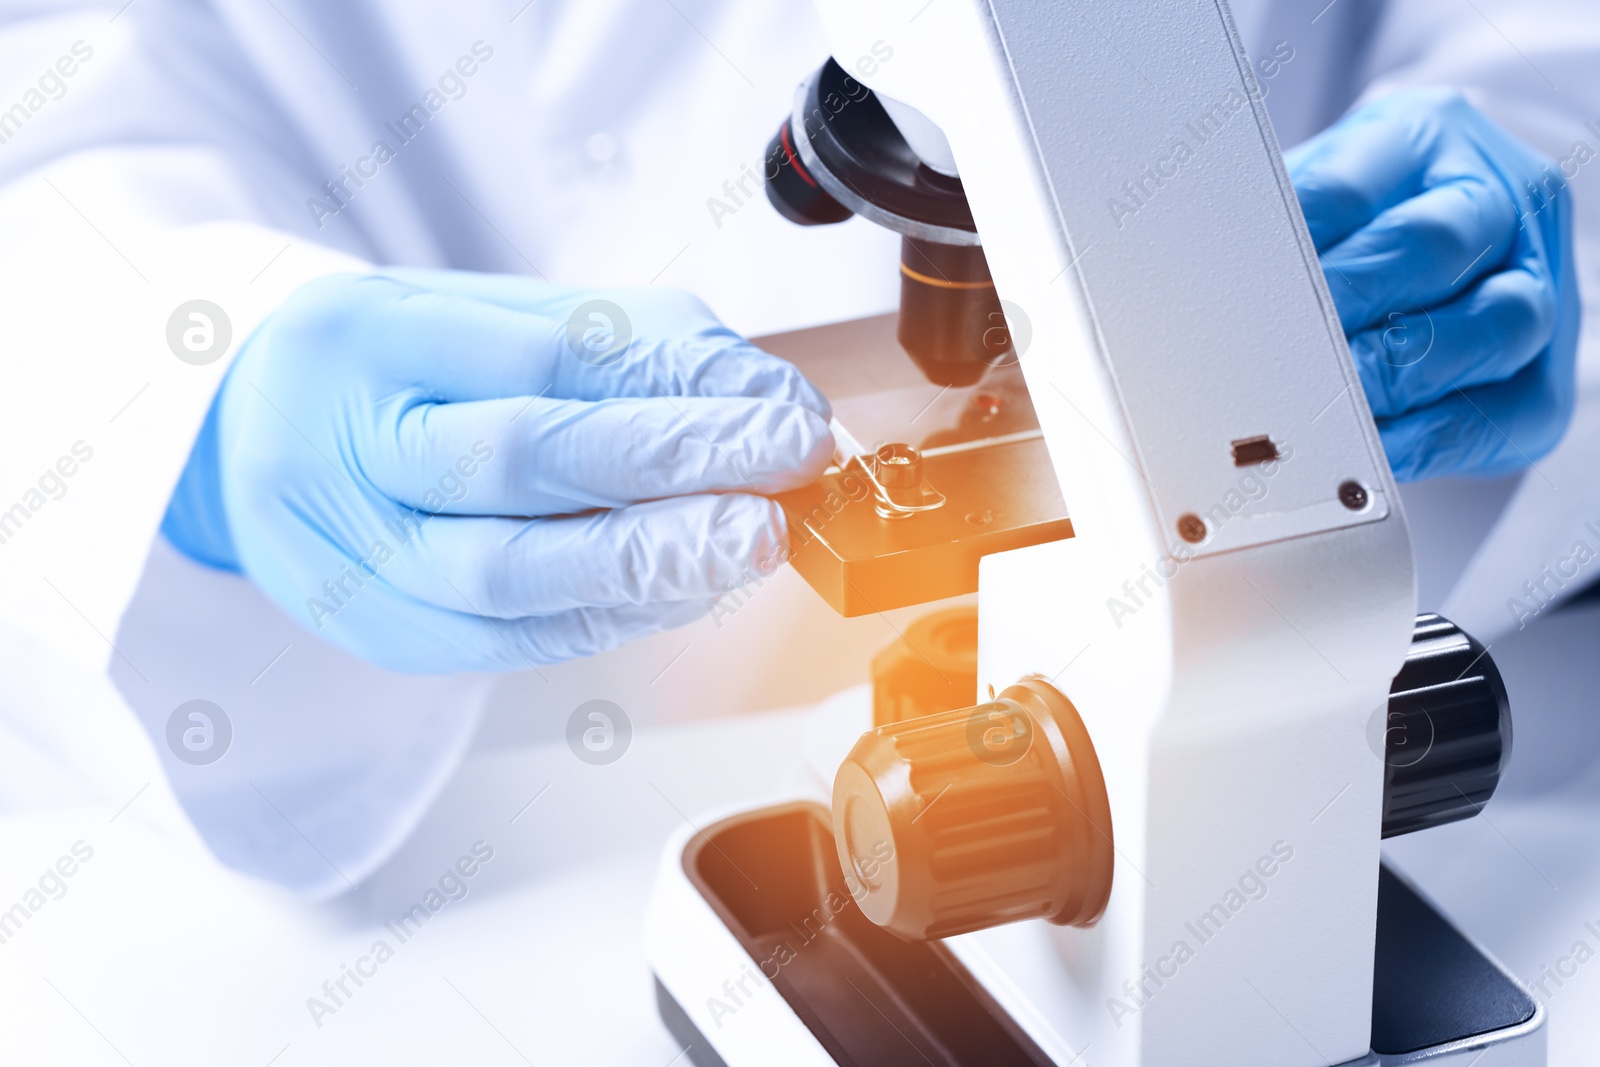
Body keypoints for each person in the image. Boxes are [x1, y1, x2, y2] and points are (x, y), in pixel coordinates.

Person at [0, 0, 1590, 894]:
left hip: (1361, 729)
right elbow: (56, 109)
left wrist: (1528, 167)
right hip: (499, 834)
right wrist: (194, 381)